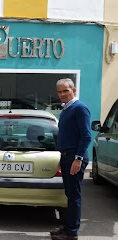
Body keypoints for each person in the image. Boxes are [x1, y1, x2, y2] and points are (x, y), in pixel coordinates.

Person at [50, 78, 91, 240]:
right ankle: (67, 227)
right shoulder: (67, 109)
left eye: (65, 91)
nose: (62, 94)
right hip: (67, 157)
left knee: (74, 196)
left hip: (75, 158)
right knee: (69, 194)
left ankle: (71, 233)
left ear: (73, 91)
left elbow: (86, 136)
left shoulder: (80, 108)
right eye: (60, 92)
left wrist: (78, 158)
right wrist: (62, 156)